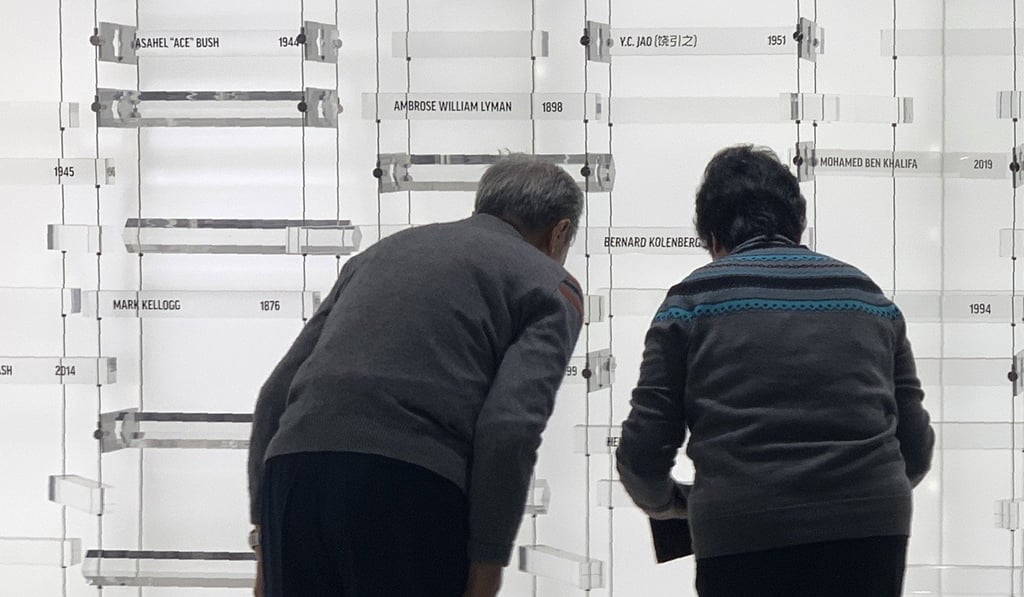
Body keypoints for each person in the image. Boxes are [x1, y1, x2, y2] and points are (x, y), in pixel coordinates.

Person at [247, 155, 585, 597]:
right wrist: (487, 564)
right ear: (559, 232)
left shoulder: (378, 255)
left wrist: (264, 538)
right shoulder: (550, 284)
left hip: (292, 479)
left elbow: (274, 395)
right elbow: (509, 429)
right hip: (407, 491)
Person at [616, 145, 934, 597]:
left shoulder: (690, 304)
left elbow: (642, 454)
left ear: (711, 235)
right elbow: (916, 451)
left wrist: (674, 506)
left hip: (741, 535)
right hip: (872, 534)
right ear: (797, 222)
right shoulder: (869, 297)